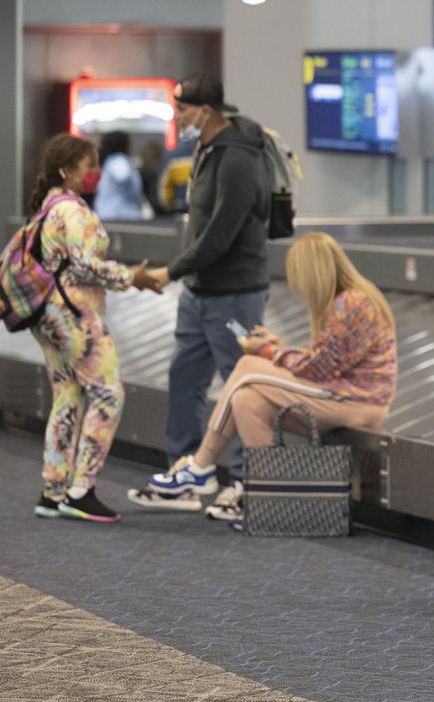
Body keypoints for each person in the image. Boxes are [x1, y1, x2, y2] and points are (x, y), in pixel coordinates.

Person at [130, 232, 397, 520]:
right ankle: (265, 494)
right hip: (346, 395)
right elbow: (326, 361)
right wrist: (279, 347)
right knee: (247, 400)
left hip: (356, 401)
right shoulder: (352, 298)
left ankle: (202, 464)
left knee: (247, 366)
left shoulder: (350, 303)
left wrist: (267, 350)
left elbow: (322, 368)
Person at [138, 73, 271, 506]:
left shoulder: (238, 158)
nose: (178, 116)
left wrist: (169, 272)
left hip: (234, 293)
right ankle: (190, 471)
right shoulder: (206, 147)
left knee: (242, 385)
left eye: (184, 108)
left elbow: (220, 235)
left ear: (207, 110)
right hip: (199, 292)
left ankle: (247, 480)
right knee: (184, 377)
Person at [27, 134, 161, 521]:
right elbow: (85, 265)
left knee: (67, 396)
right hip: (76, 317)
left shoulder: (48, 208)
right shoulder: (74, 212)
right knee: (108, 394)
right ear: (67, 171)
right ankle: (81, 489)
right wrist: (130, 277)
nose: (96, 173)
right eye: (90, 166)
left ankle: (53, 491)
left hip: (48, 316)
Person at [94, 130, 144, 220]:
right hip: (120, 215)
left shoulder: (111, 161)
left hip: (110, 214)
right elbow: (122, 175)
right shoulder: (118, 160)